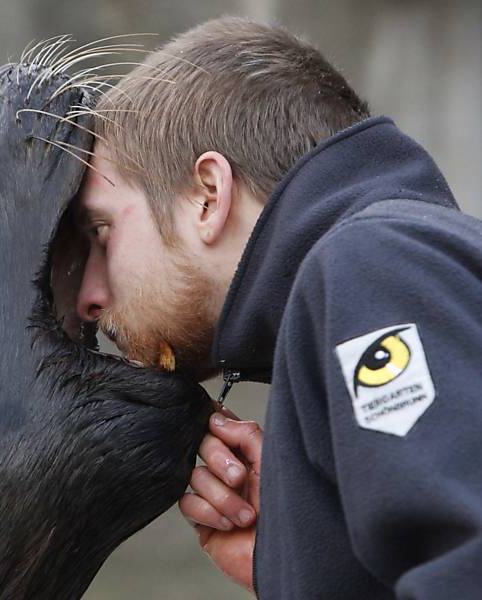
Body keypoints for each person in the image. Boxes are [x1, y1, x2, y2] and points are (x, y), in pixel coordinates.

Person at [72, 16, 482, 598]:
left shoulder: (369, 261)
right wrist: (309, 557)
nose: (89, 296)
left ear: (208, 196)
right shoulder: (388, 266)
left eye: (102, 231)